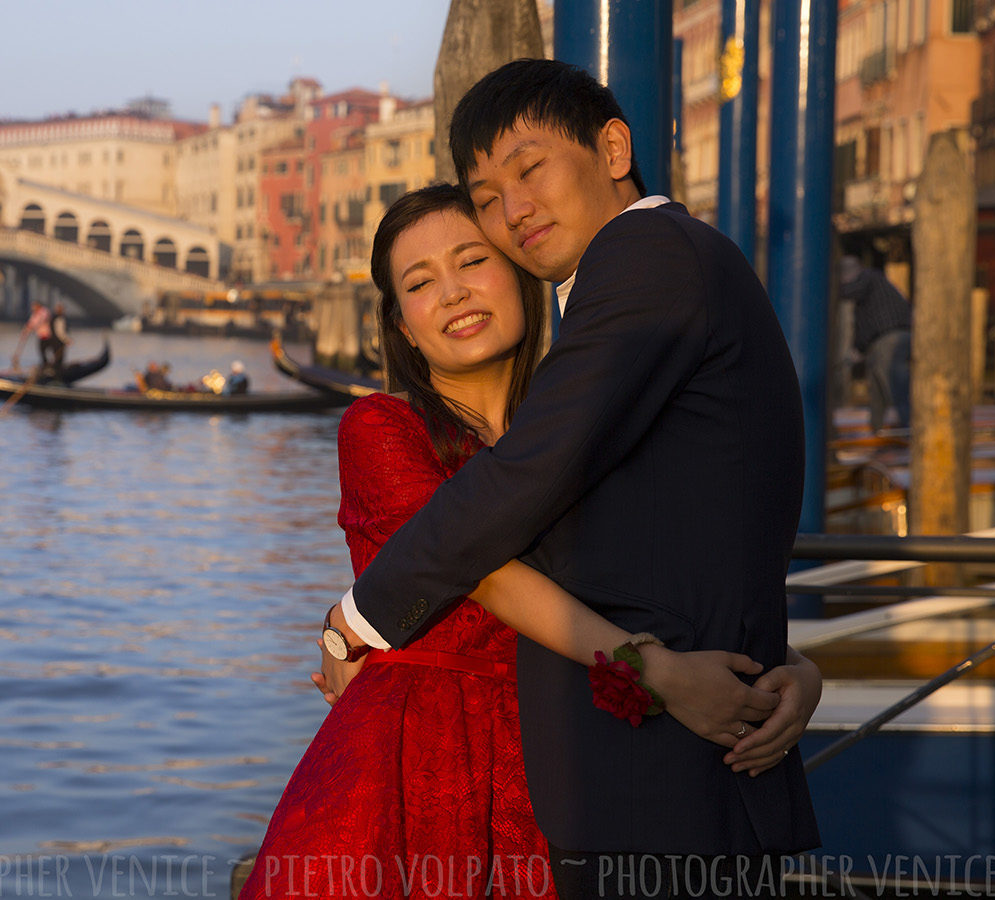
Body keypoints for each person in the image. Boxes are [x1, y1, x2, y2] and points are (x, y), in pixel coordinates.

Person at [318, 59, 821, 897]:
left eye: (530, 170)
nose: (515, 210)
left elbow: (522, 495)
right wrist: (775, 663)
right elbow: (656, 544)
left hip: (649, 794)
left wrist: (355, 618)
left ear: (613, 147)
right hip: (538, 789)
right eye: (488, 195)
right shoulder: (646, 297)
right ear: (399, 323)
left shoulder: (644, 260)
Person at [840, 255, 912, 433]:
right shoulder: (869, 289)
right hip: (884, 338)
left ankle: (909, 429)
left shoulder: (868, 278)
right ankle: (877, 428)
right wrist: (859, 349)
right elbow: (864, 325)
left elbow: (848, 291)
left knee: (895, 384)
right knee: (877, 385)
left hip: (890, 336)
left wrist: (826, 287)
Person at [11, 300, 52, 369]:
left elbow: (40, 321)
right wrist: (25, 331)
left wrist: (31, 327)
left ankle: (48, 365)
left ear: (38, 306)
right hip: (42, 335)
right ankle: (46, 364)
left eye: (34, 306)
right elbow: (31, 323)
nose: (32, 308)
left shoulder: (44, 311)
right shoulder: (35, 314)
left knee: (45, 349)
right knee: (42, 350)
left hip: (48, 335)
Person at [43, 302, 72, 371]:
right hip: (58, 341)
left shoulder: (53, 318)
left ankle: (55, 371)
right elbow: (60, 332)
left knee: (56, 357)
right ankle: (57, 374)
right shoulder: (60, 319)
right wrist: (66, 340)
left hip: (53, 340)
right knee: (59, 359)